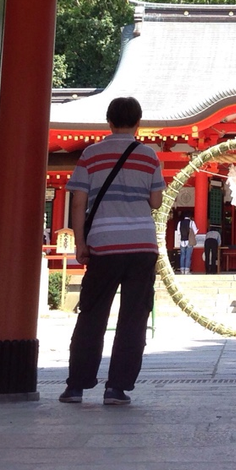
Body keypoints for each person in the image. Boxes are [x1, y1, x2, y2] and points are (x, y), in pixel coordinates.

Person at [60, 97, 164, 407]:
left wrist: (80, 242)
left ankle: (76, 386)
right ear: (138, 124)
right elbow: (156, 201)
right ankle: (117, 388)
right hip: (141, 245)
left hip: (104, 243)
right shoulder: (148, 155)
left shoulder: (91, 154)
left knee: (92, 314)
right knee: (133, 318)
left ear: (109, 122)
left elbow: (78, 202)